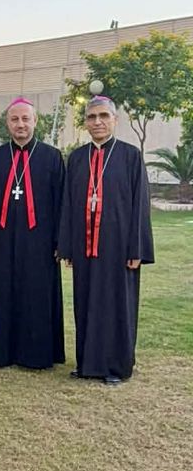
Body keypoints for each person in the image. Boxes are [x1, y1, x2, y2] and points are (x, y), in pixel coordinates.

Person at [58, 96, 154, 384]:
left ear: (115, 120)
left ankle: (116, 366)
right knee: (85, 302)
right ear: (85, 122)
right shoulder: (77, 157)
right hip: (84, 245)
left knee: (116, 305)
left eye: (103, 116)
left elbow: (140, 205)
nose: (97, 122)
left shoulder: (129, 155)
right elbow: (68, 203)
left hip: (118, 245)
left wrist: (137, 248)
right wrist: (66, 246)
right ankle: (87, 363)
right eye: (91, 117)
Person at [0, 99, 66, 370]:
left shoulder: (51, 157)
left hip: (40, 241)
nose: (21, 125)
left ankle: (37, 355)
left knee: (37, 295)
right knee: (4, 293)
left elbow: (62, 202)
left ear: (35, 121)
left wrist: (61, 242)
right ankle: (5, 353)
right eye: (15, 120)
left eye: (26, 119)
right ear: (7, 124)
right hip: (3, 239)